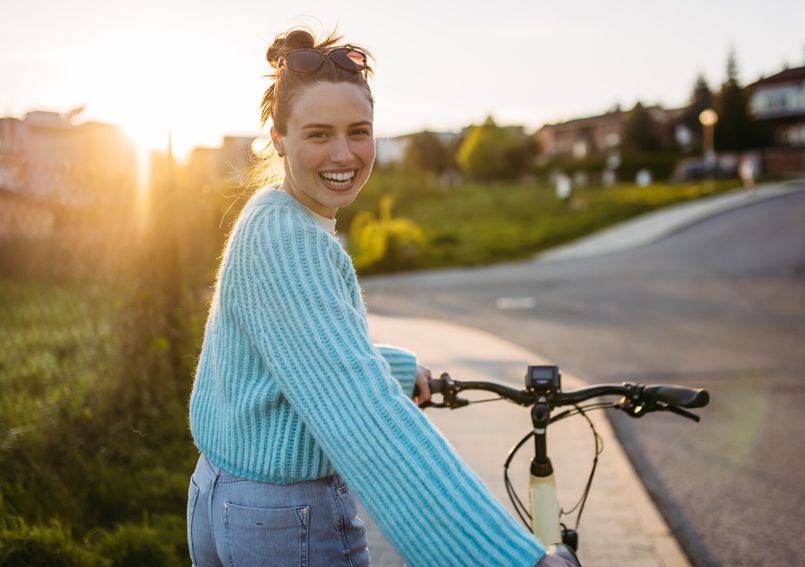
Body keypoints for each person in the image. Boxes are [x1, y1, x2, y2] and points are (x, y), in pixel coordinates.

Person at [186, 27, 571, 567]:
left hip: (227, 496)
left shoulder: (269, 214)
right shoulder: (291, 242)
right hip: (285, 520)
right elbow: (366, 421)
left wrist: (389, 367)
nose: (343, 153)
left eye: (358, 131)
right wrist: (510, 560)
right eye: (318, 134)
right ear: (278, 138)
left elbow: (288, 361)